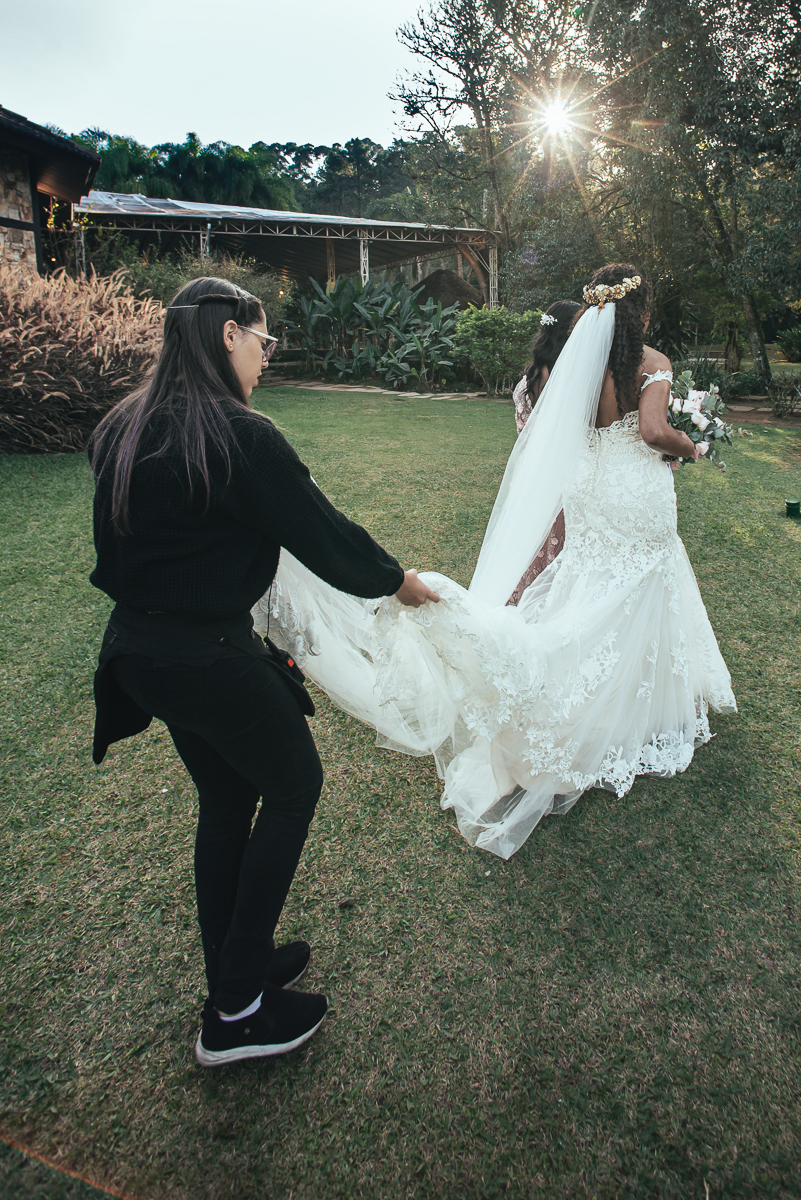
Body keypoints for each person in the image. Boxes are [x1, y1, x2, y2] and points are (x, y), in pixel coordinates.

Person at [261, 263, 736, 860]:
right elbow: (650, 430)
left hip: (589, 489)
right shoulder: (652, 360)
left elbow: (575, 428)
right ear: (640, 308)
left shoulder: (581, 365)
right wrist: (691, 443)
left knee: (589, 590)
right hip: (635, 491)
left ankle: (588, 695)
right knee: (637, 587)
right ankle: (632, 708)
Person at [88, 277, 439, 1068]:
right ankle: (237, 1013)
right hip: (205, 656)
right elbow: (320, 530)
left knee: (227, 794)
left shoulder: (120, 424)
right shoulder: (241, 435)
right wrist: (398, 582)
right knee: (292, 786)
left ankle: (233, 969)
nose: (266, 357)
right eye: (263, 340)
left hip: (140, 652)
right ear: (227, 337)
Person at [507, 301, 581, 605]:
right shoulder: (564, 377)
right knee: (554, 541)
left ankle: (523, 597)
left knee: (530, 540)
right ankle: (545, 603)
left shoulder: (530, 377)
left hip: (529, 472)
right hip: (558, 472)